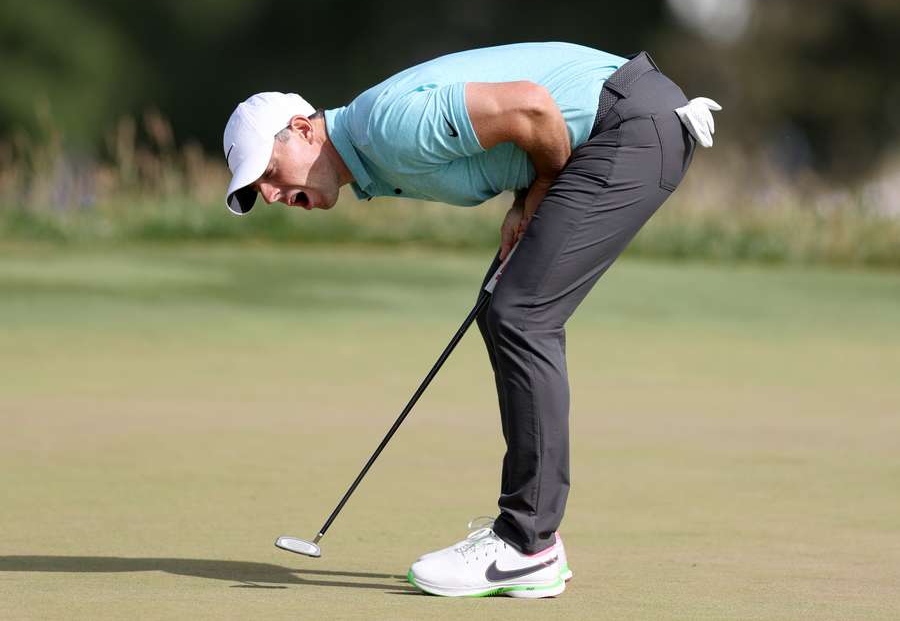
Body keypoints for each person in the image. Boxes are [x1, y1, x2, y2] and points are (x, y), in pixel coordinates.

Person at [222, 42, 720, 598]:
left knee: (522, 316)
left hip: (629, 126)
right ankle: (528, 538)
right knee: (505, 309)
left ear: (303, 128)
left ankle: (527, 544)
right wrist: (523, 200)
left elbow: (532, 107)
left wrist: (544, 190)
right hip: (622, 124)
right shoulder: (370, 149)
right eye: (256, 188)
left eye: (267, 171)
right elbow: (521, 122)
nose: (268, 194)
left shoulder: (386, 129)